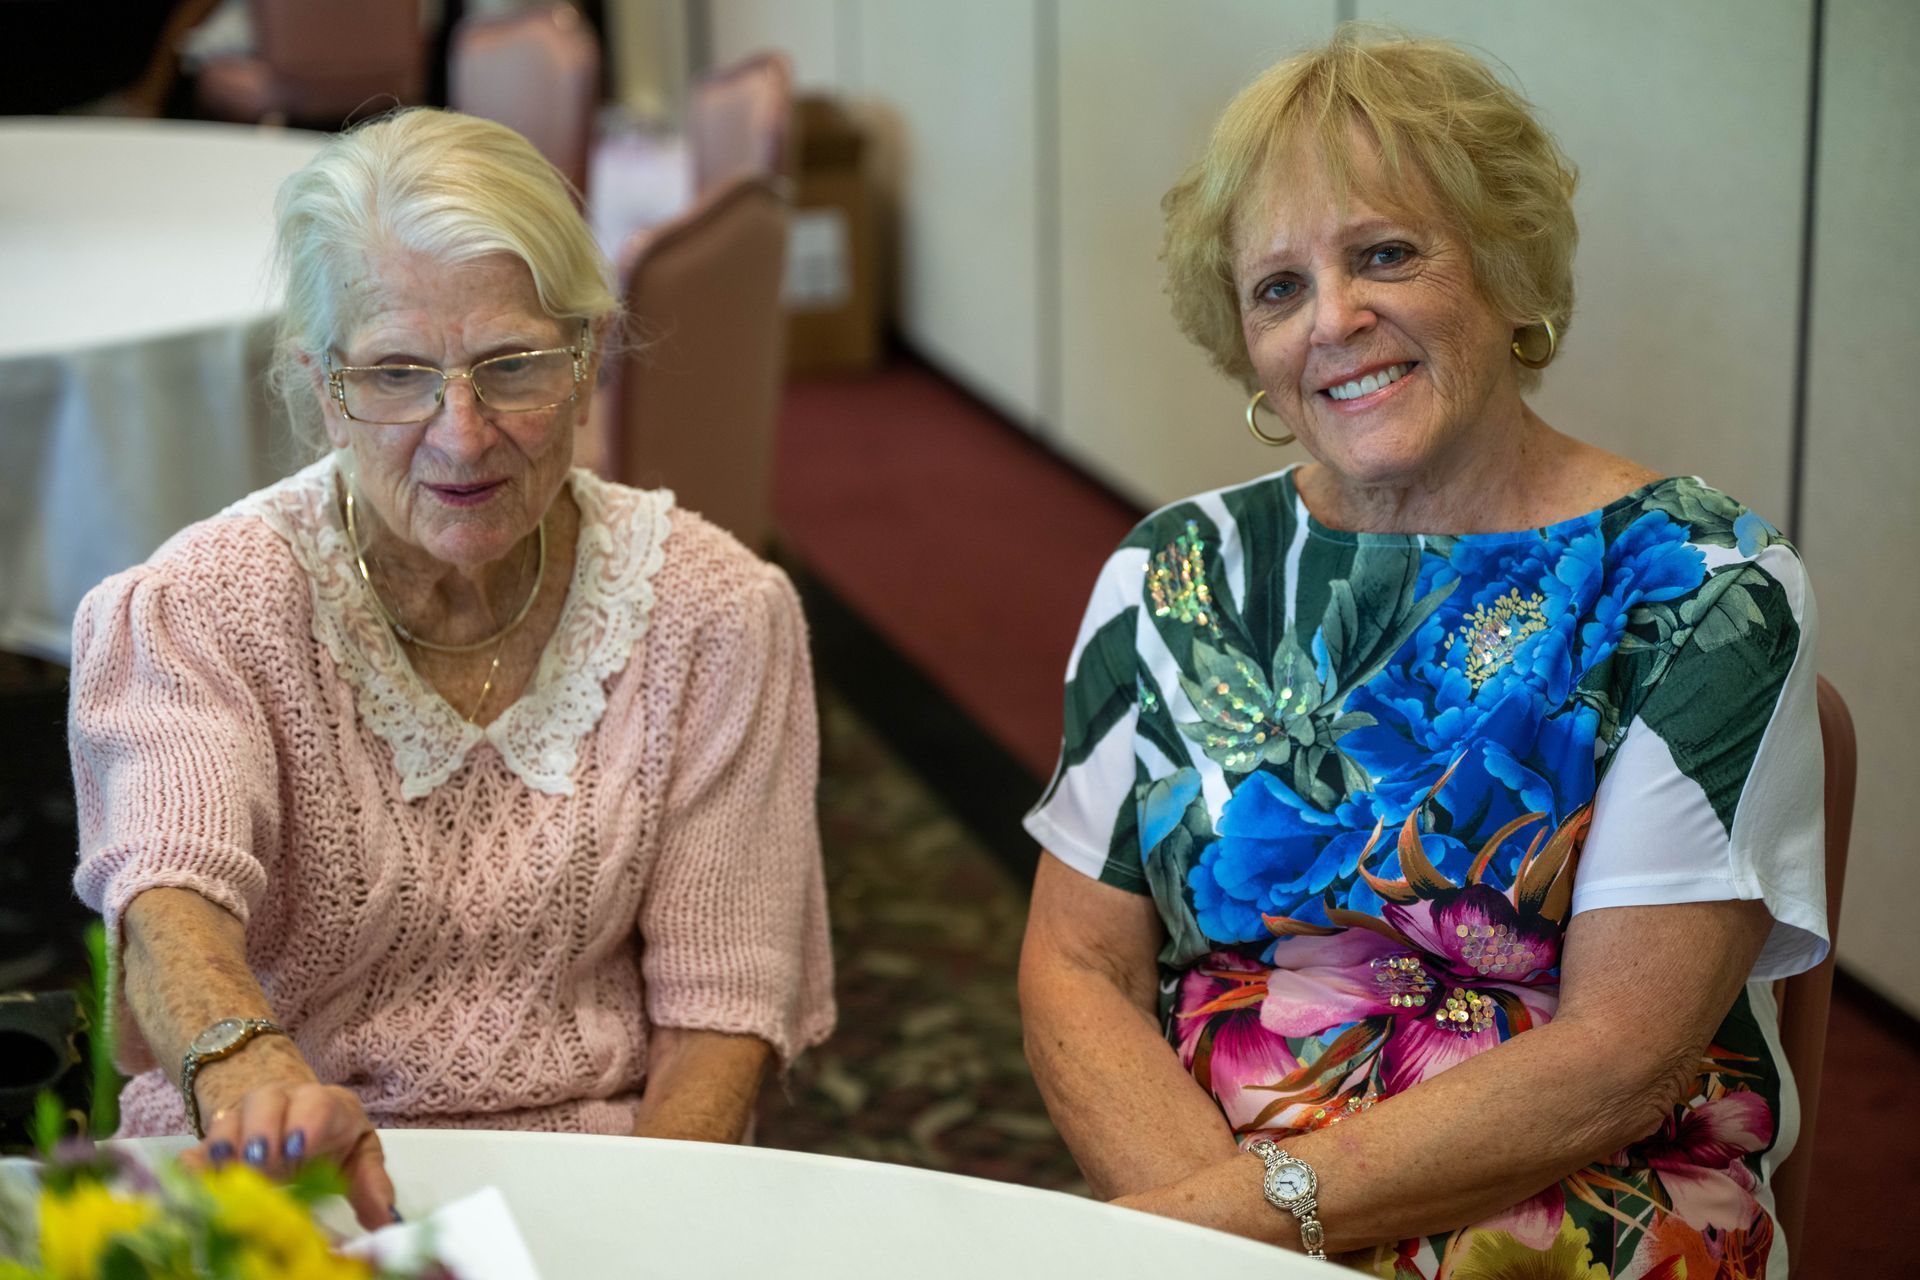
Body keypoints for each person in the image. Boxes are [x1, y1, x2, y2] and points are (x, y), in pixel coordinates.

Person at [1018, 27, 1825, 1277]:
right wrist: (1219, 1245)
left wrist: (1227, 1231)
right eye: (1279, 288)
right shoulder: (1174, 571)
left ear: (1509, 276)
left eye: (1386, 254)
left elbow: (1617, 1059)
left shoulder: (1700, 586)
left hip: (1582, 1210)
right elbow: (1076, 964)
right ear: (1248, 348)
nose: (1336, 319)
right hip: (1213, 1207)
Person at [68, 109, 834, 1229]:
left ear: (589, 355)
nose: (461, 433)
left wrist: (655, 1227)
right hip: (276, 1162)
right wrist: (250, 1074)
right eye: (395, 373)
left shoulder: (718, 613)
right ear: (320, 385)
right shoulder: (198, 607)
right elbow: (169, 895)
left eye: (512, 364)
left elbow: (723, 1012)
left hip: (610, 1171)